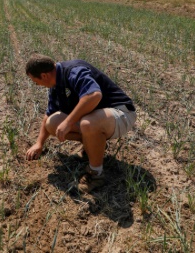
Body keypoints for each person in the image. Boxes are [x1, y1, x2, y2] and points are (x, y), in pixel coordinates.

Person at [25, 54, 137, 193]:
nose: (37, 85)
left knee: (87, 123)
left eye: (36, 81)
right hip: (102, 118)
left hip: (122, 114)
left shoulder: (73, 71)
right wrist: (39, 143)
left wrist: (68, 121)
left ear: (44, 75)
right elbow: (48, 115)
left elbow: (94, 95)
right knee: (52, 123)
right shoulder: (56, 85)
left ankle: (96, 174)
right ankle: (94, 144)